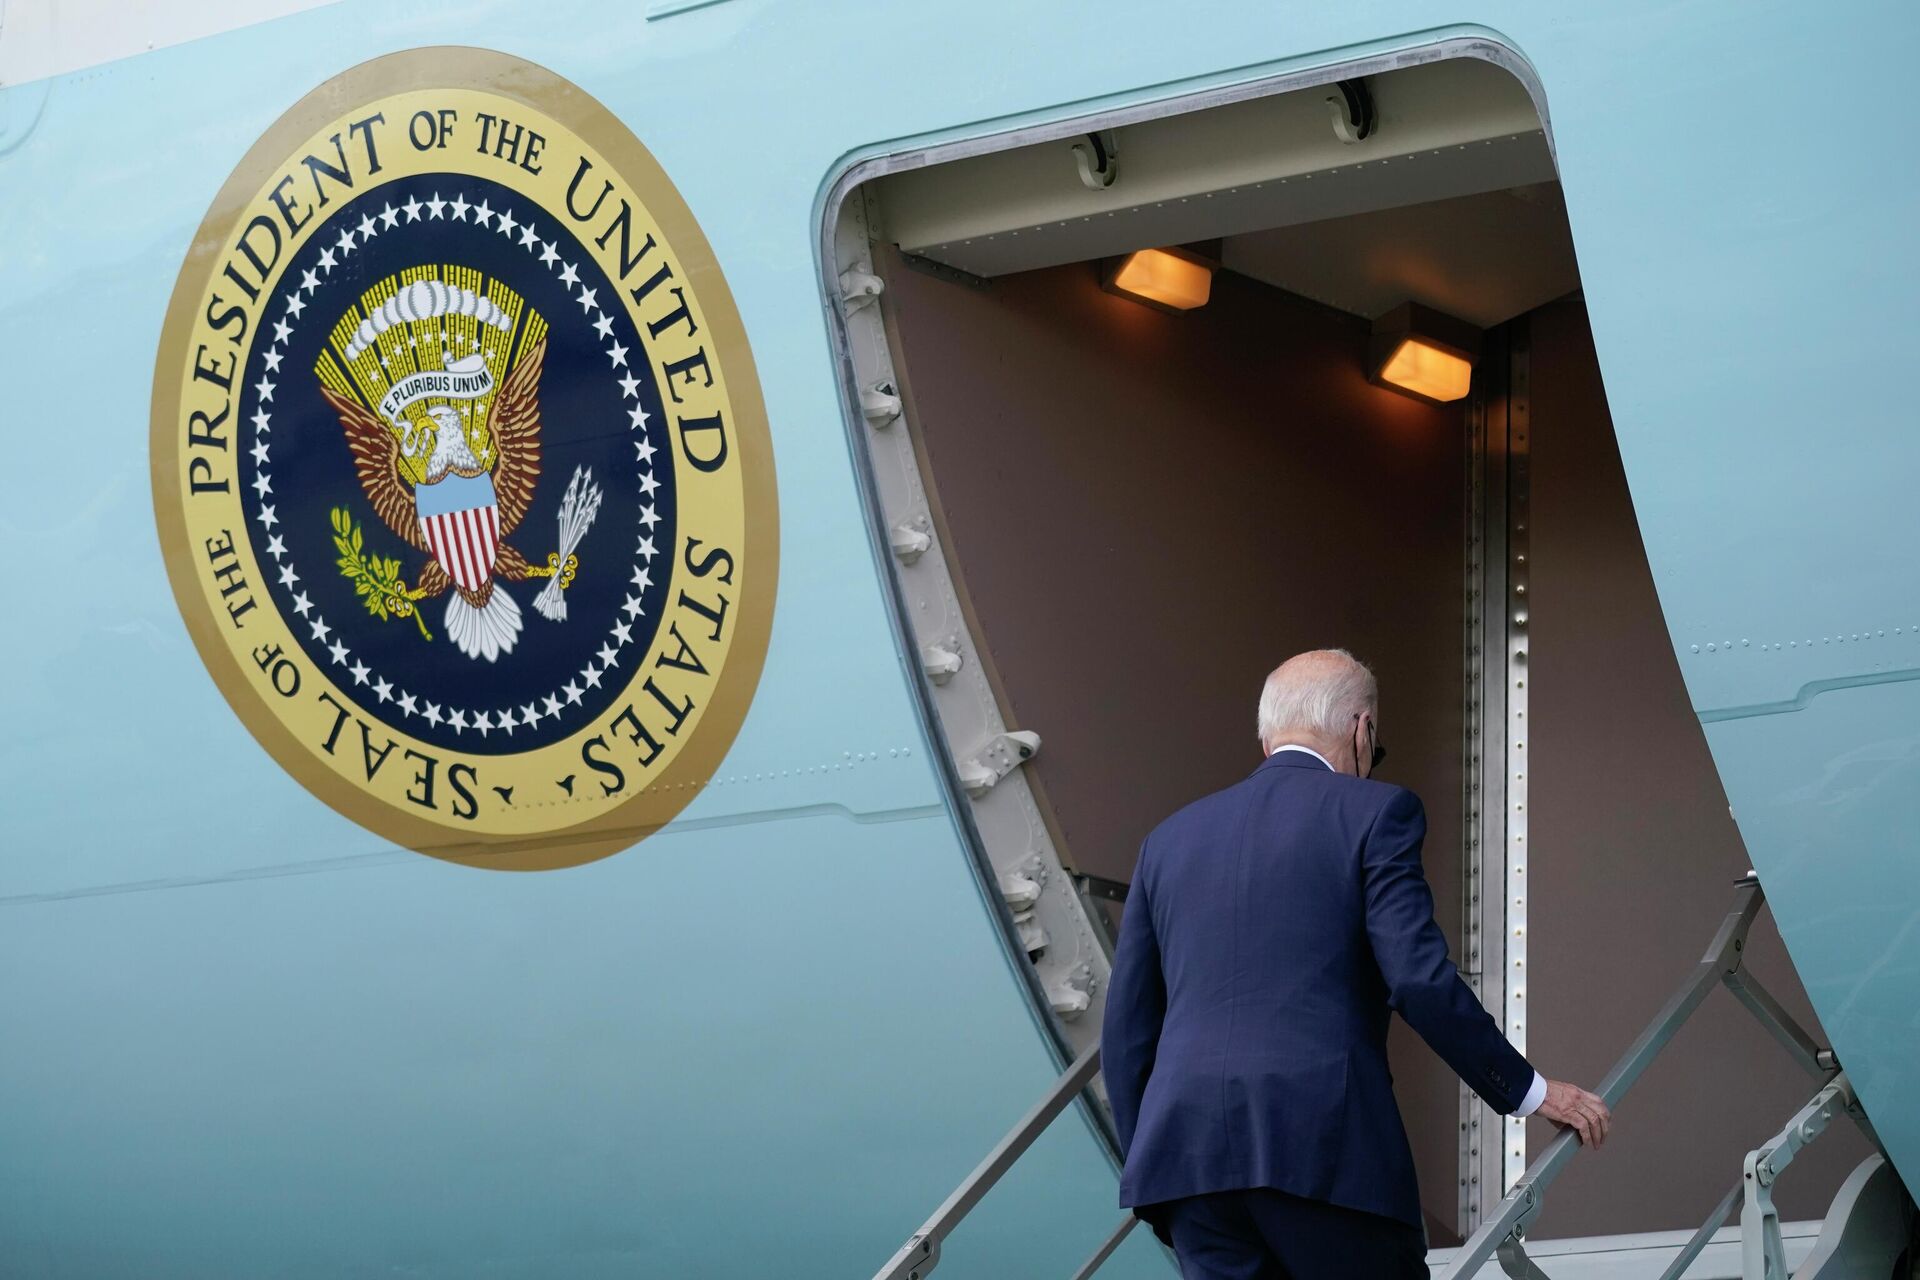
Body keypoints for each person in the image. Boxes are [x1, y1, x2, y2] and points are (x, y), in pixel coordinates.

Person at [1102, 649, 1610, 1279]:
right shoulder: (1375, 812)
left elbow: (1126, 1034)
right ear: (1362, 729)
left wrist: (1152, 1165)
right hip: (1324, 1153)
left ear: (1266, 735)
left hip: (1188, 1168)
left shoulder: (1167, 840)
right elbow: (1418, 977)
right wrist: (1529, 1092)